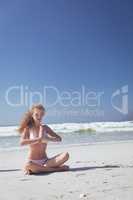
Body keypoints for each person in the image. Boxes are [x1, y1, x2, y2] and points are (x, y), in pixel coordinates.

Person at [18, 104, 69, 174]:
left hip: (46, 162)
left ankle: (42, 169)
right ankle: (57, 169)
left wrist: (48, 139)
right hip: (33, 162)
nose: (39, 116)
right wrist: (38, 139)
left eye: (41, 114)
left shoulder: (45, 127)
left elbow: (59, 139)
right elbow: (22, 142)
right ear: (32, 115)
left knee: (66, 155)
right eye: (37, 114)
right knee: (28, 165)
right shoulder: (28, 128)